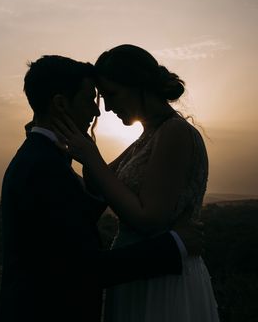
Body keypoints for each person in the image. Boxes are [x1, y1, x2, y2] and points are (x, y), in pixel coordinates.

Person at [0, 55, 202, 322]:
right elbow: (83, 268)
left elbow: (74, 214)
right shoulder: (41, 168)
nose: (97, 111)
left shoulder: (43, 157)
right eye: (91, 99)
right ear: (60, 104)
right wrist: (175, 245)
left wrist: (90, 161)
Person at [52, 44, 219, 321]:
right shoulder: (147, 137)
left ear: (138, 85)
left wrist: (90, 155)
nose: (106, 107)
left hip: (164, 279)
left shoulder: (175, 132)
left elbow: (149, 217)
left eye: (112, 95)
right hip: (141, 273)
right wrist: (83, 145)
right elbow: (98, 185)